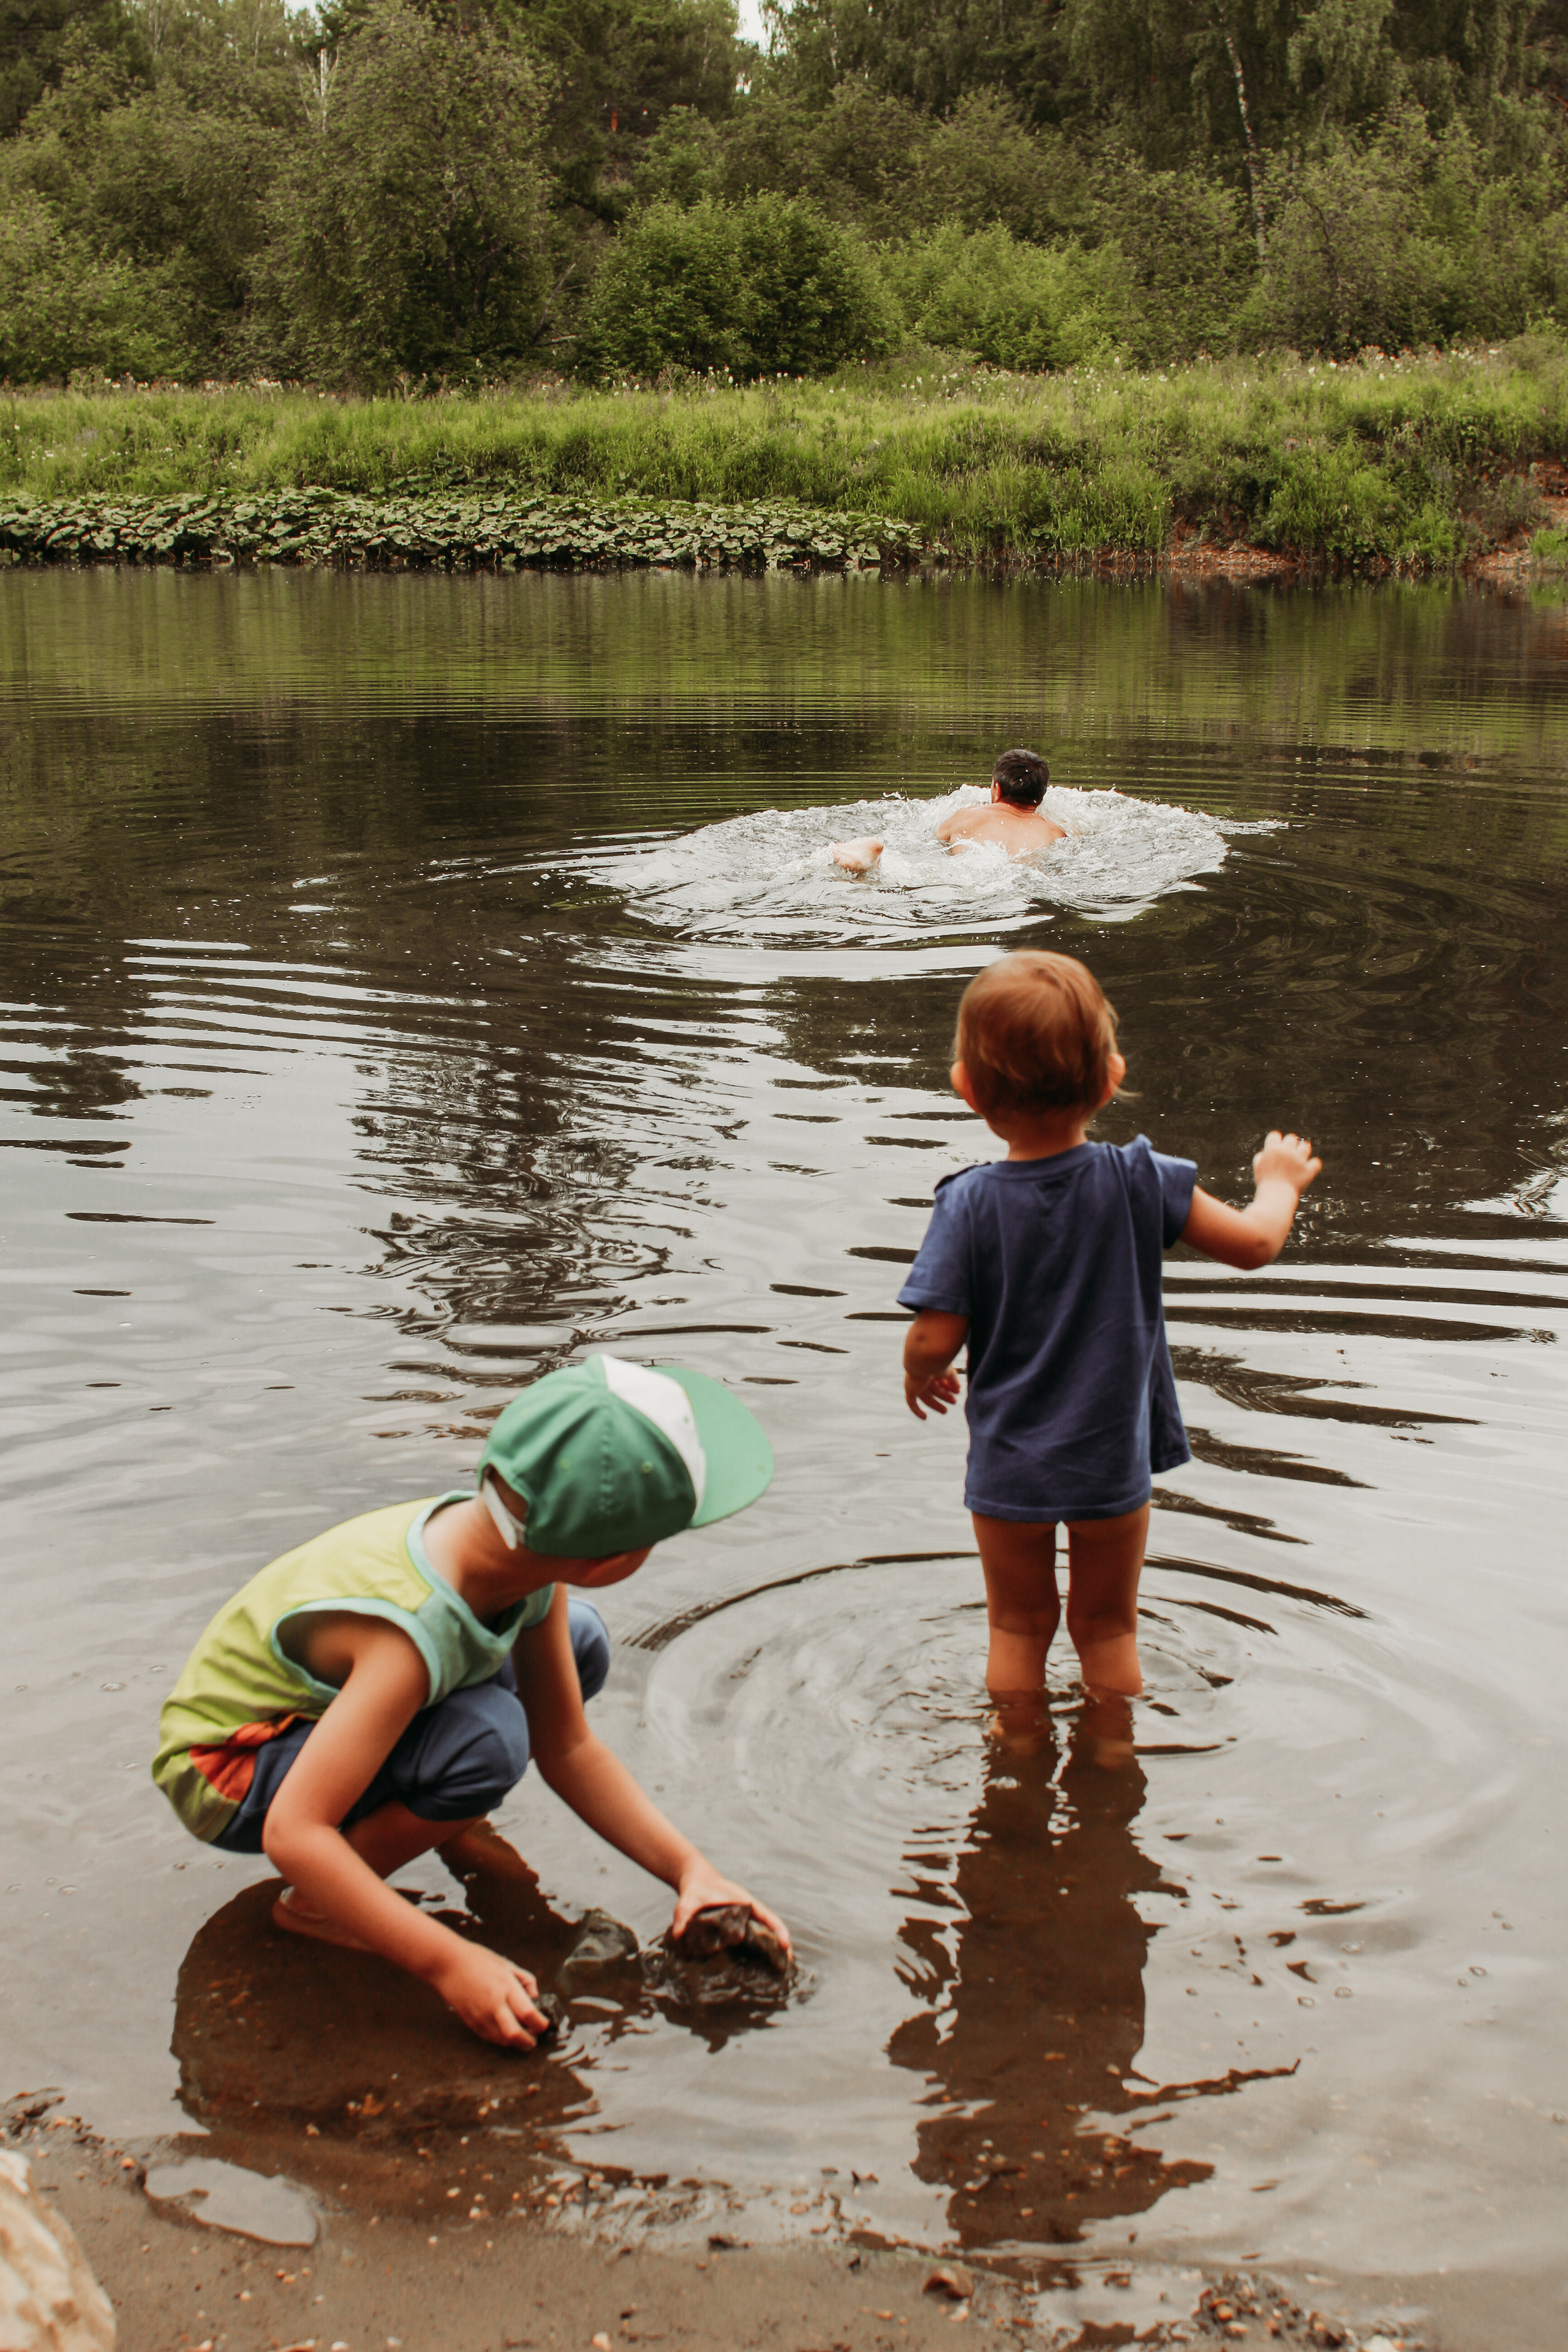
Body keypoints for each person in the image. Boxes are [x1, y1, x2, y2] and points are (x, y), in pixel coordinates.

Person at [153, 1354, 790, 2049]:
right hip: (228, 1769)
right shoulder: (409, 1637)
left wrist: (692, 1872)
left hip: (323, 1720)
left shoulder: (515, 1549)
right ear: (611, 1564)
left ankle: (432, 1815)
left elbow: (569, 1747)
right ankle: (318, 1909)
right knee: (487, 1742)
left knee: (577, 1648)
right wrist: (447, 1960)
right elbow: (294, 1834)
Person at [896, 951, 1321, 1711]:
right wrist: (1277, 1183)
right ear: (1111, 1076)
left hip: (1009, 1469)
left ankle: (1014, 1753)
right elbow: (1256, 1247)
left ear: (966, 1089)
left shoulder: (967, 1204)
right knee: (1108, 1631)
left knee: (1018, 1628)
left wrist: (919, 1371)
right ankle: (1114, 1756)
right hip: (1108, 1461)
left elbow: (934, 1340)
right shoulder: (1139, 1178)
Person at [831, 747, 1066, 873]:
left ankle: (873, 860)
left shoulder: (968, 816)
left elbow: (931, 846)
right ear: (1041, 796)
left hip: (965, 871)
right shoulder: (1055, 832)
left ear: (996, 789)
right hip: (1017, 879)